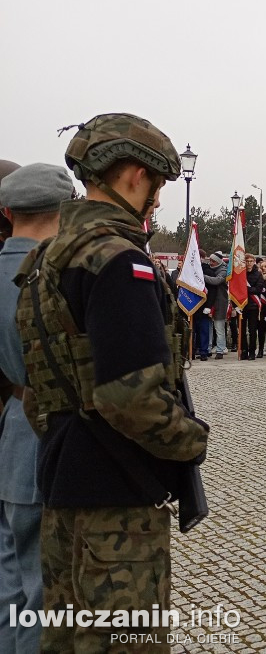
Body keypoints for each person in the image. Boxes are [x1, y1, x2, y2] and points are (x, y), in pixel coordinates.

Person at [16, 114, 209, 652]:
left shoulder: (43, 259)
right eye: (156, 186)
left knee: (69, 641)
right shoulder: (119, 261)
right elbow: (132, 396)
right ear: (131, 175)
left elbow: (37, 387)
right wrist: (192, 440)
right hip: (118, 498)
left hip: (62, 482)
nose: (156, 201)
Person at [0, 162, 74, 653]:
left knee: (9, 587)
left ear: (7, 213)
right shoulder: (60, 274)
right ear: (67, 211)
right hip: (45, 438)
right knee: (45, 598)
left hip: (10, 435)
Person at [204, 251, 229, 358]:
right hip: (209, 302)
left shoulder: (223, 271)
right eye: (210, 260)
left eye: (213, 261)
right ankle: (208, 347)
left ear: (218, 262)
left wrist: (201, 276)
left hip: (220, 302)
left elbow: (216, 281)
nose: (211, 263)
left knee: (219, 328)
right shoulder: (210, 270)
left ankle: (220, 350)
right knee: (209, 328)